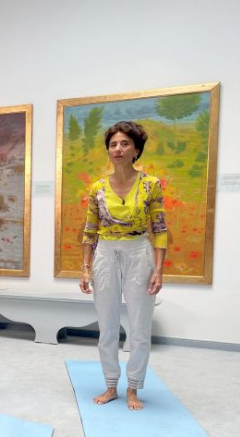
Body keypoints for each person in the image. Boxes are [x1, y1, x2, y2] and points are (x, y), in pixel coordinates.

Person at [79, 121, 168, 410]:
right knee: (107, 326)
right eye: (113, 144)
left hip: (139, 251)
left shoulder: (151, 184)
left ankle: (133, 388)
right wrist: (85, 267)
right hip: (105, 253)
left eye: (124, 143)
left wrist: (159, 270)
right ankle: (110, 385)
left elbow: (159, 228)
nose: (118, 149)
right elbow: (90, 230)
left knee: (140, 326)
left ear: (136, 150)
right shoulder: (97, 188)